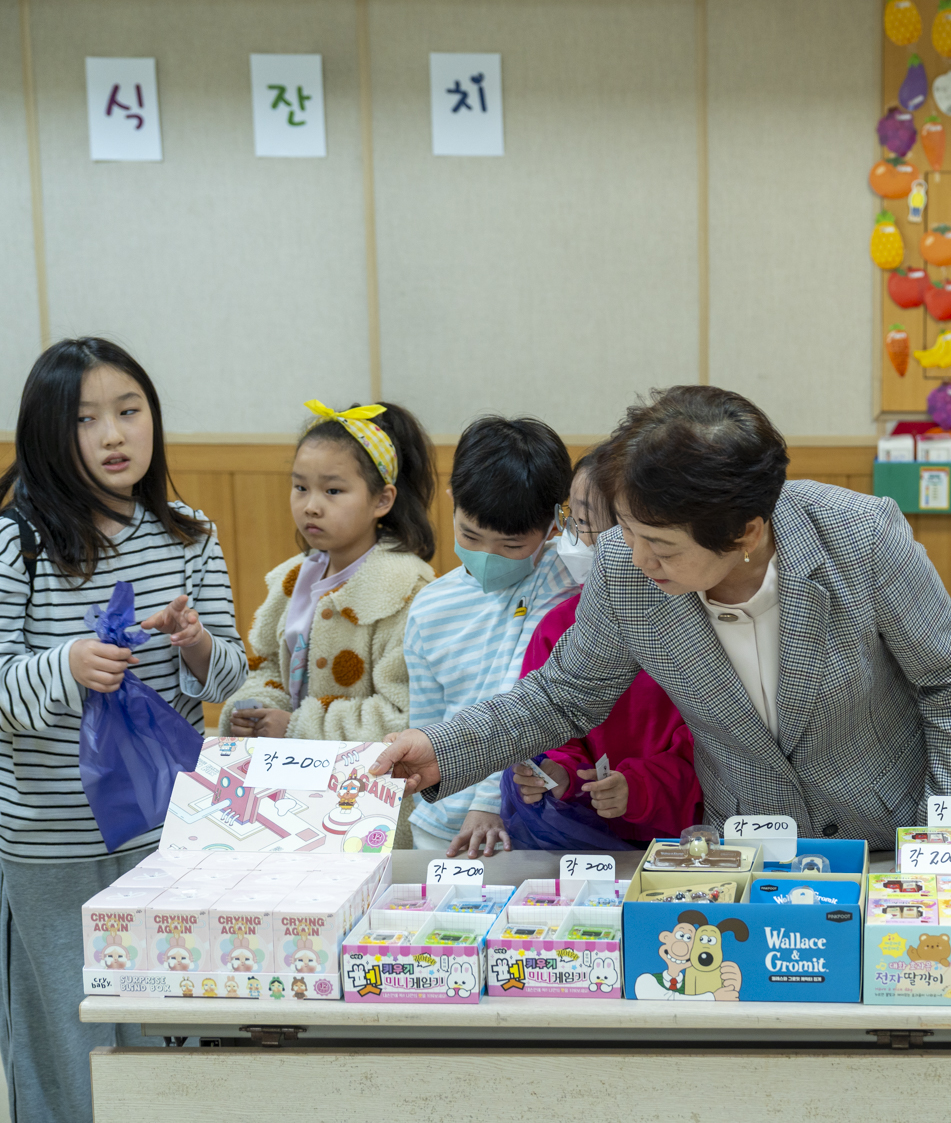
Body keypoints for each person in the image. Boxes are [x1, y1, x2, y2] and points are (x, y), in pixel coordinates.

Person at [372, 385, 951, 849]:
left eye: (663, 546)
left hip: (888, 839)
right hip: (745, 846)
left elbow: (950, 681)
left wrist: (948, 839)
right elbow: (563, 697)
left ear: (746, 532)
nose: (639, 559)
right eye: (628, 531)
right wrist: (442, 749)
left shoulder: (858, 536)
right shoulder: (624, 567)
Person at [0, 338, 247, 1123]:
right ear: (48, 433)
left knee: (168, 1024)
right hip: (51, 842)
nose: (114, 435)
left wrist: (195, 644)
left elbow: (231, 679)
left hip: (168, 835)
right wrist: (67, 664)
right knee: (67, 1034)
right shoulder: (17, 543)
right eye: (86, 419)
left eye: (129, 411)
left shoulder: (189, 533)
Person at [401, 415, 579, 856]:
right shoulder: (429, 606)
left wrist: (487, 801)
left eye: (511, 546)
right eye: (470, 535)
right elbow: (427, 722)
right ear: (452, 501)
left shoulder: (560, 581)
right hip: (441, 822)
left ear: (554, 526)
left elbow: (523, 694)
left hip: (521, 818)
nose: (487, 554)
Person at [508, 444, 701, 843]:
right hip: (590, 836)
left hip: (687, 833)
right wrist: (560, 772)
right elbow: (550, 717)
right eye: (570, 518)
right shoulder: (560, 625)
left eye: (584, 523)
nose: (570, 537)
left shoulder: (692, 628)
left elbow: (711, 747)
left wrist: (639, 786)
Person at [218, 400, 437, 748]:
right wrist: (255, 709)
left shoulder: (406, 589)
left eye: (333, 491)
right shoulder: (292, 578)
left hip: (367, 779)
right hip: (291, 772)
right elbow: (267, 667)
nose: (310, 506)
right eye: (300, 487)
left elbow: (405, 713)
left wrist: (297, 728)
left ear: (382, 500)